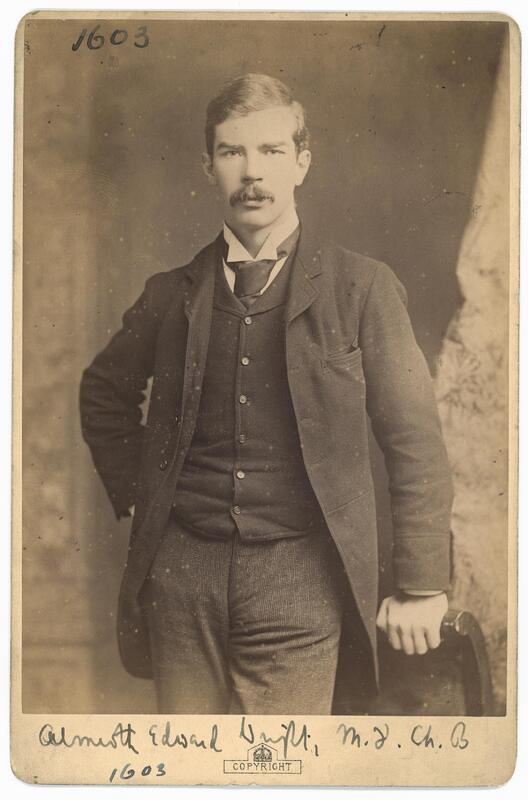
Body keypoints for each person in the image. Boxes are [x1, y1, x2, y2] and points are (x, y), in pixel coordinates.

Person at [79, 73, 454, 715]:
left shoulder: (360, 289)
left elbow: (414, 439)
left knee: (281, 760)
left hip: (301, 579)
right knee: (189, 759)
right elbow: (103, 392)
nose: (252, 172)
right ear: (209, 167)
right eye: (232, 152)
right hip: (182, 579)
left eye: (272, 151)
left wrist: (422, 585)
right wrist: (145, 494)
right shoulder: (171, 294)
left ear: (302, 162)